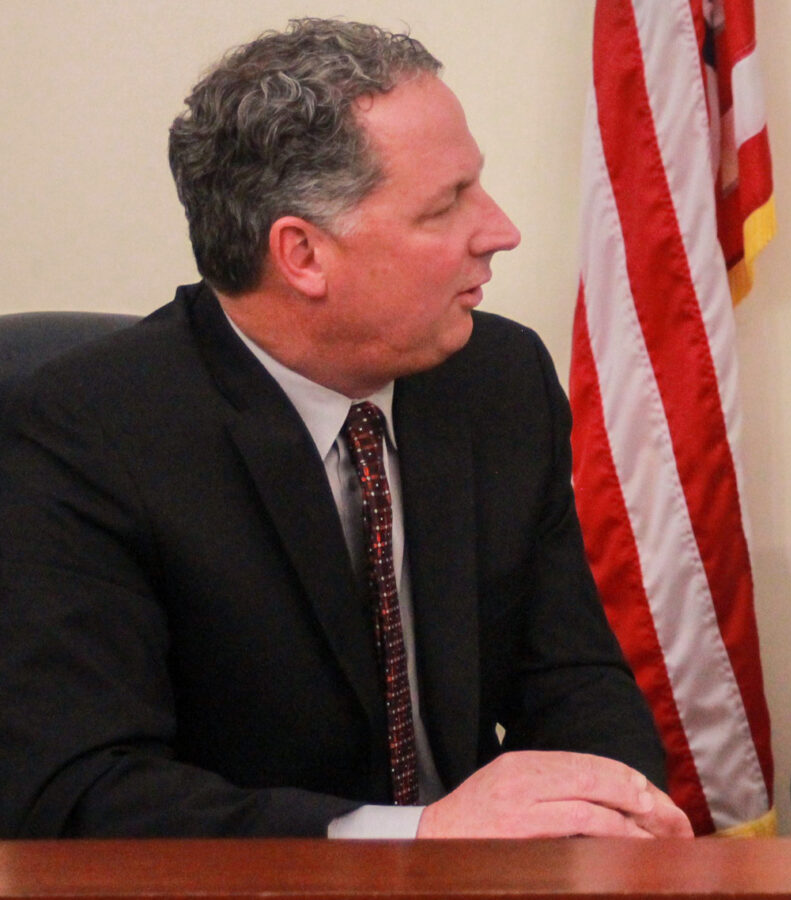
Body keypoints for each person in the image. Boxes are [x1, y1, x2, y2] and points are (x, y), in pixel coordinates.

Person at [0, 19, 690, 840]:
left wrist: (617, 818)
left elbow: (575, 682)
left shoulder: (497, 379)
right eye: (446, 206)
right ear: (303, 256)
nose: (499, 230)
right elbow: (78, 793)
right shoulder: (86, 435)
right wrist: (406, 839)